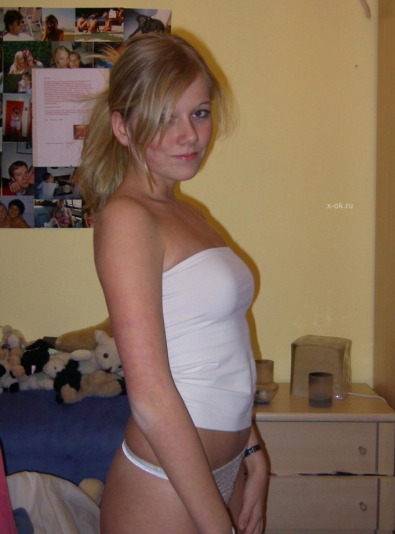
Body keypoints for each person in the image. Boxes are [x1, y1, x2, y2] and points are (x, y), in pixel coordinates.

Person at [77, 33, 267, 534]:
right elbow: (150, 395)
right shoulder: (127, 219)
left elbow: (219, 351)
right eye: (165, 117)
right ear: (122, 126)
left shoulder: (185, 213)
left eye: (199, 113)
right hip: (164, 485)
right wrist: (218, 526)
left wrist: (253, 450)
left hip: (221, 467)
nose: (190, 136)